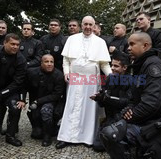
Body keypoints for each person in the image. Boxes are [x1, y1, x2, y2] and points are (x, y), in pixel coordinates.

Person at [100, 32, 161, 159]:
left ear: (145, 46)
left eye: (132, 44)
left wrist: (130, 117)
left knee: (113, 133)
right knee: (111, 130)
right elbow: (134, 99)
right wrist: (128, 109)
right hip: (155, 117)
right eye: (128, 44)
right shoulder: (140, 66)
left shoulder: (154, 67)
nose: (128, 48)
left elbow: (151, 104)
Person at [56, 15, 112, 149]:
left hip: (91, 80)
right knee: (72, 107)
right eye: (85, 24)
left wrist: (111, 76)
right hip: (75, 78)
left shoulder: (100, 42)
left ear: (94, 26)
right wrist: (66, 72)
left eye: (90, 25)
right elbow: (66, 60)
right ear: (81, 25)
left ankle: (87, 138)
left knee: (89, 109)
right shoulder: (72, 39)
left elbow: (104, 63)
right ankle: (66, 137)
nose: (87, 27)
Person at [0, 33, 27, 146]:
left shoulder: (21, 60)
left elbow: (18, 83)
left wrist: (0, 94)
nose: (15, 47)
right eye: (12, 44)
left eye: (17, 45)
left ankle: (10, 136)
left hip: (9, 89)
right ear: (5, 43)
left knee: (15, 107)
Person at [90, 53, 131, 152]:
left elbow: (126, 102)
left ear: (125, 67)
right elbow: (103, 101)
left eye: (116, 66)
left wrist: (107, 99)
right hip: (110, 117)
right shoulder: (110, 78)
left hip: (123, 118)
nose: (112, 68)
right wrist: (99, 98)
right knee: (97, 145)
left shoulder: (131, 81)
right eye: (111, 65)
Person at [24, 54, 65, 147]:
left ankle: (48, 136)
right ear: (41, 63)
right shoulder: (31, 73)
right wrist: (22, 100)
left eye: (52, 62)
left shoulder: (58, 75)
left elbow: (56, 95)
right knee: (37, 134)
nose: (49, 64)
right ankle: (40, 127)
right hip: (36, 103)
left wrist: (38, 101)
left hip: (52, 102)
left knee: (45, 111)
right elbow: (24, 87)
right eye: (46, 62)